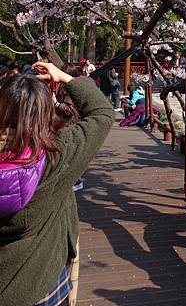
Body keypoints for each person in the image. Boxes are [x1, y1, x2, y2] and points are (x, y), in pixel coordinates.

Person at [0, 61, 114, 306]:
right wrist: (66, 79)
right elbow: (103, 113)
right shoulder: (59, 152)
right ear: (45, 111)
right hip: (40, 279)